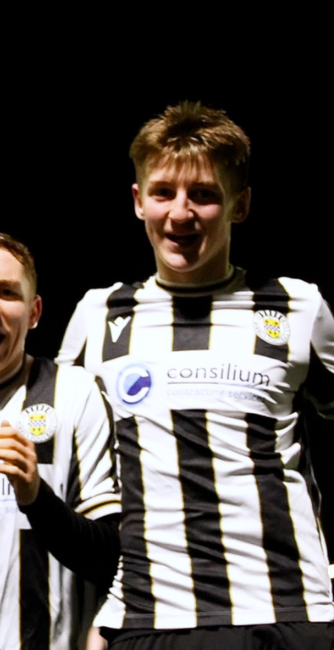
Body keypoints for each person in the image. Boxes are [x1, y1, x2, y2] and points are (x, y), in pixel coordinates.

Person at [57, 101, 334, 648]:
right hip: (145, 615)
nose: (180, 213)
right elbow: (74, 471)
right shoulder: (99, 314)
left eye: (204, 195)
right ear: (138, 202)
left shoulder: (297, 306)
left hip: (287, 609)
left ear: (240, 205)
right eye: (163, 193)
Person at [0, 229, 120, 650]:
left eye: (6, 292)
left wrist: (36, 497)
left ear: (34, 312)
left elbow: (110, 557)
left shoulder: (75, 392)